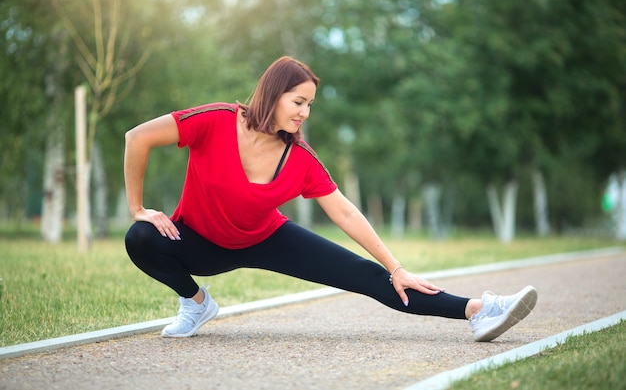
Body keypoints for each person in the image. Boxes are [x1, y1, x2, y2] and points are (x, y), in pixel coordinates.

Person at [124, 56, 537, 342]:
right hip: (199, 243)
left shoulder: (300, 159)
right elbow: (137, 137)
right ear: (273, 94)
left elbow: (343, 210)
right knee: (139, 238)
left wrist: (395, 266)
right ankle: (196, 304)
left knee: (370, 277)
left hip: (267, 239)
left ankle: (479, 311)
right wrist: (138, 208)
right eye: (298, 102)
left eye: (310, 105)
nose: (305, 113)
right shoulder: (214, 121)